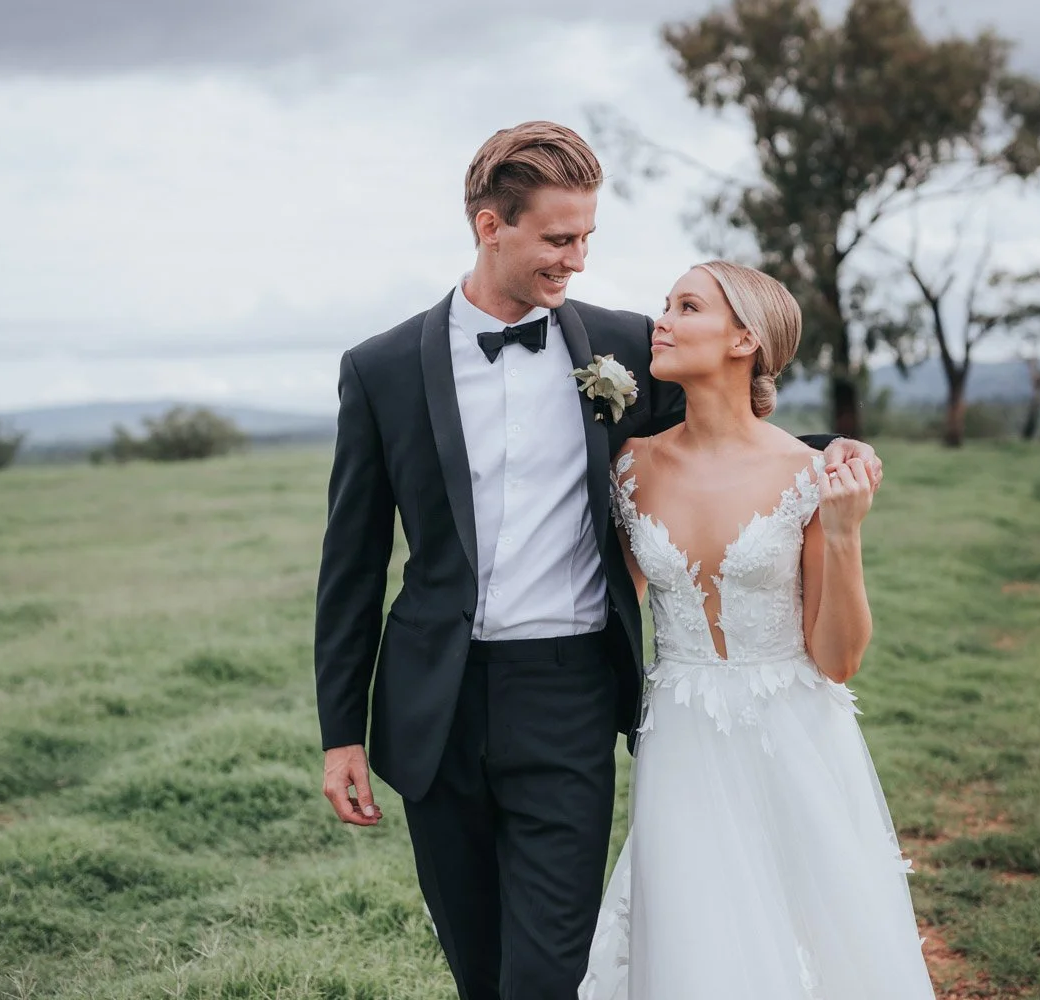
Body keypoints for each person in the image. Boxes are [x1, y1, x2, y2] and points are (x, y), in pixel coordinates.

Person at [312, 121, 883, 1000]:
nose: (575, 260)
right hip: (436, 700)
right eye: (556, 239)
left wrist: (835, 451)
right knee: (479, 964)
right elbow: (350, 561)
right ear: (488, 225)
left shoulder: (621, 345)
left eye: (586, 238)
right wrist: (341, 730)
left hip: (570, 693)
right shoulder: (381, 368)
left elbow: (730, 427)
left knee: (547, 973)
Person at [578, 260, 933, 999]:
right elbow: (612, 603)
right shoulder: (629, 467)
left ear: (745, 339)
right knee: (692, 932)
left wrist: (843, 534)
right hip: (677, 733)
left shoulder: (810, 473)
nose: (662, 322)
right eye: (665, 304)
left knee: (813, 935)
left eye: (686, 306)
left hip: (794, 734)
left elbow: (837, 660)